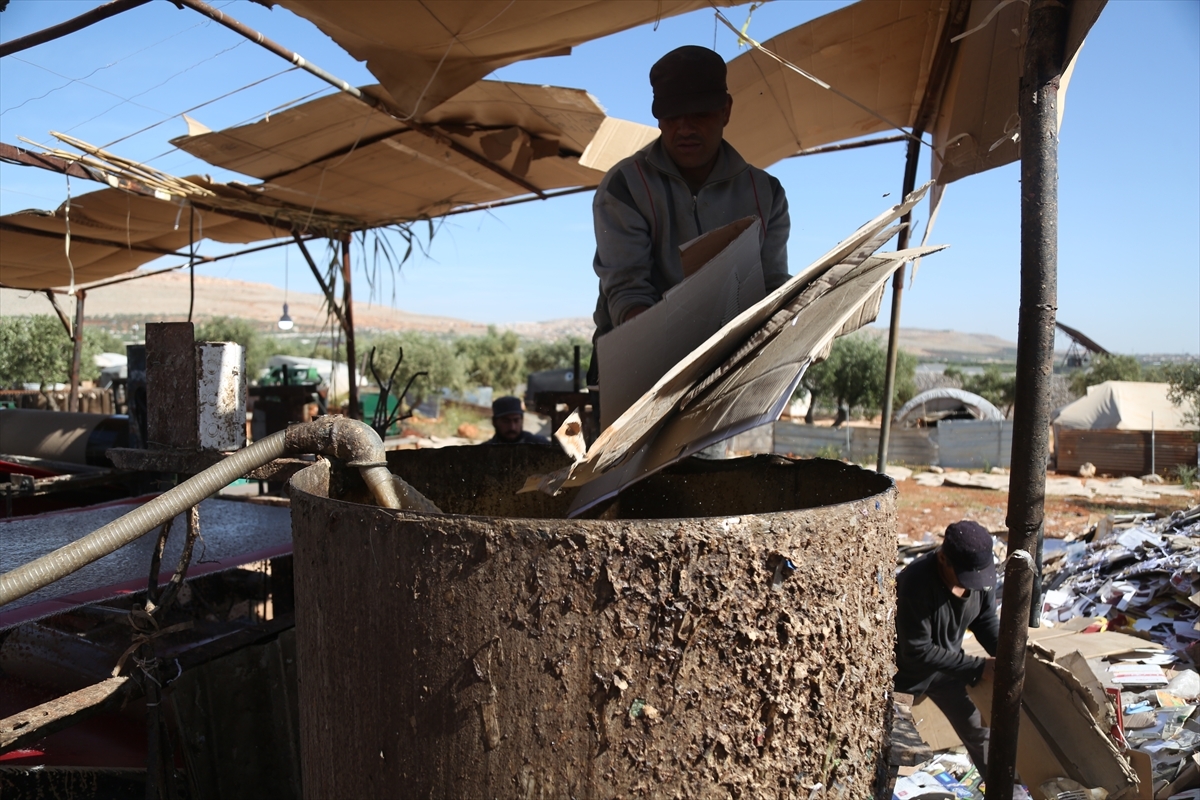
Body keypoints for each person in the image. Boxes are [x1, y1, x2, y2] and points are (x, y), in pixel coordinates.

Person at [587, 45, 791, 406]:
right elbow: (628, 294)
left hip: (720, 377)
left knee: (707, 464)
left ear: (725, 110)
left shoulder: (766, 194)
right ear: (659, 117)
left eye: (699, 114)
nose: (685, 128)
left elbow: (772, 288)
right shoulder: (624, 187)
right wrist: (673, 360)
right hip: (633, 370)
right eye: (671, 115)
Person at [895, 520, 1000, 771]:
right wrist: (979, 667)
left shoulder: (978, 576)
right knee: (894, 751)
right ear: (943, 559)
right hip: (902, 678)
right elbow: (917, 650)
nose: (972, 584)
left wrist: (1007, 654)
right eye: (966, 577)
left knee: (981, 735)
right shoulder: (915, 584)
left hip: (948, 669)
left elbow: (985, 620)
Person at [485, 396, 551, 445]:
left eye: (516, 420)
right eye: (506, 421)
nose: (512, 427)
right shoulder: (484, 451)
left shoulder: (538, 445)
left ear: (522, 420)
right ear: (494, 422)